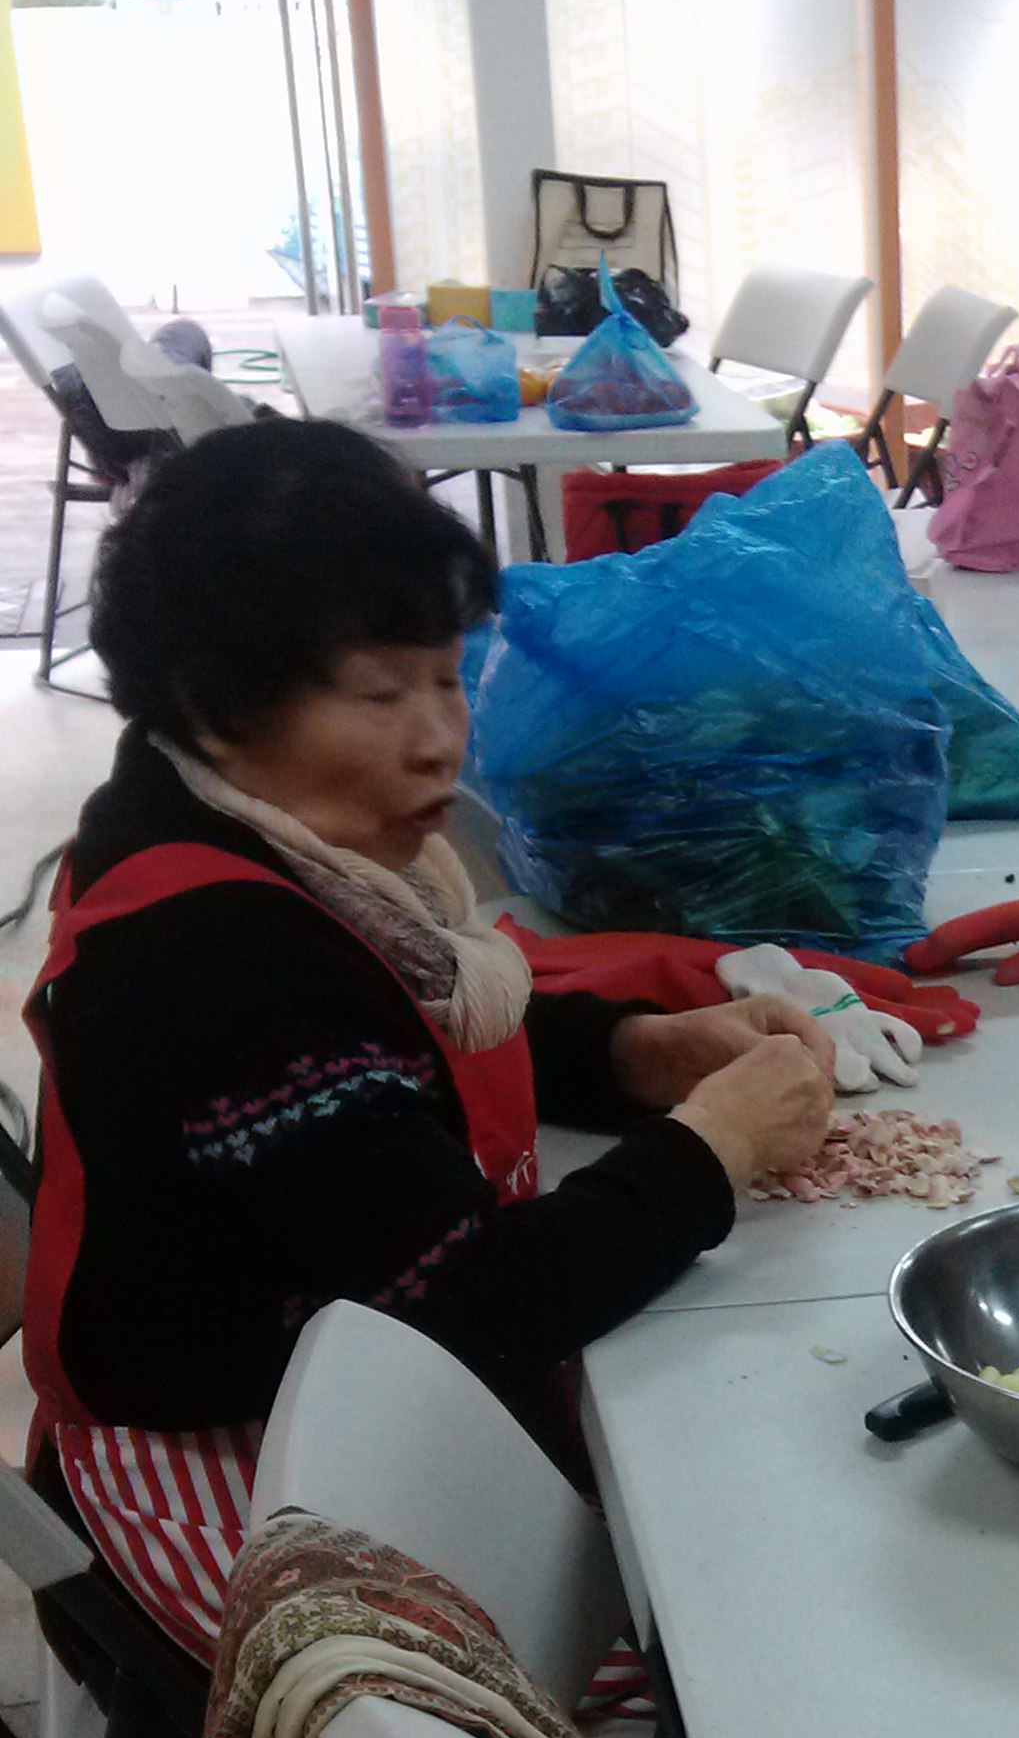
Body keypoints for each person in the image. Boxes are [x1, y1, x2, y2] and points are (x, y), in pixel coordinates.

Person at [23, 416, 836, 1667]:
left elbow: (388, 1053)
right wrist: (710, 1148)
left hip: (350, 1382)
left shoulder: (244, 828)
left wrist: (636, 1051)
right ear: (212, 706)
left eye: (450, 678)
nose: (438, 737)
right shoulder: (212, 958)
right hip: (251, 1475)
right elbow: (470, 1306)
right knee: (731, 1659)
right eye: (380, 694)